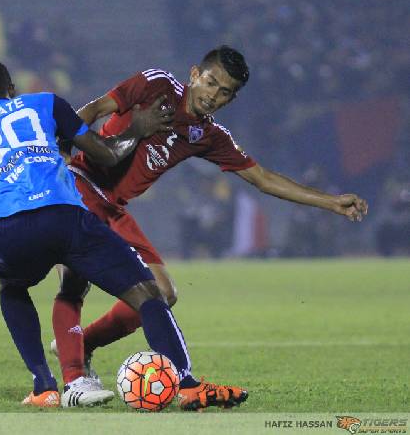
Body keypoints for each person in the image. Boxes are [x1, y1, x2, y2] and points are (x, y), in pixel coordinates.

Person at [51, 45, 368, 410]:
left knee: (163, 293)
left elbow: (262, 178)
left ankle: (83, 344)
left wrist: (330, 202)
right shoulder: (156, 86)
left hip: (114, 207)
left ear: (231, 99)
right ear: (193, 75)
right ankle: (77, 377)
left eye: (224, 91)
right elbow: (91, 111)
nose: (213, 95)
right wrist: (61, 149)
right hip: (80, 185)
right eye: (210, 82)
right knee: (77, 283)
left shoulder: (209, 135)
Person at [0, 60, 205, 409]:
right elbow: (106, 155)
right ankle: (186, 384)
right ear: (12, 89)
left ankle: (45, 387)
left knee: (13, 287)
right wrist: (137, 128)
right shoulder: (46, 103)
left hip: (12, 228)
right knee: (148, 293)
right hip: (67, 217)